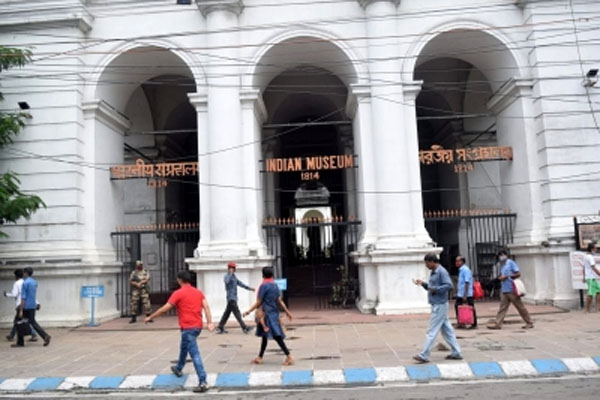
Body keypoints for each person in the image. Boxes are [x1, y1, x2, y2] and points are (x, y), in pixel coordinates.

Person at [144, 270, 214, 393]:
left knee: (195, 354)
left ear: (180, 280)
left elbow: (165, 309)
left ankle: (203, 381)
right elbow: (206, 307)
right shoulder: (198, 292)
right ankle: (179, 367)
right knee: (184, 347)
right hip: (197, 327)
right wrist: (209, 322)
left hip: (188, 328)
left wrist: (151, 317)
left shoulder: (178, 293)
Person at [412, 253, 462, 364]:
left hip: (439, 305)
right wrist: (423, 284)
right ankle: (456, 352)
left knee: (432, 331)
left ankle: (424, 355)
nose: (426, 265)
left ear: (432, 261)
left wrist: (436, 289)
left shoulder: (441, 272)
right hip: (437, 304)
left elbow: (449, 285)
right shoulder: (434, 272)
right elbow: (431, 288)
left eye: (427, 263)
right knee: (447, 330)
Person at [243, 266, 294, 366]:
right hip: (274, 312)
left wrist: (248, 311)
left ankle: (289, 356)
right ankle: (260, 357)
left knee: (277, 336)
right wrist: (287, 312)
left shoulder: (264, 286)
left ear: (263, 275)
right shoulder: (275, 285)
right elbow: (279, 300)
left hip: (267, 314)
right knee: (265, 336)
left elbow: (259, 302)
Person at [487, 250, 534, 329]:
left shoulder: (511, 263)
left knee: (520, 307)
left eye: (502, 255)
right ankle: (498, 323)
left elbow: (518, 273)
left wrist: (508, 276)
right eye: (500, 255)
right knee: (502, 308)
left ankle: (529, 322)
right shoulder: (502, 265)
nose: (501, 257)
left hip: (512, 289)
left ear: (506, 255)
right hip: (504, 289)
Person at [13, 267, 51, 348]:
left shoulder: (25, 283)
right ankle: (45, 336)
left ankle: (20, 342)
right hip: (32, 305)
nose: (23, 274)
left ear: (26, 273)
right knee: (32, 322)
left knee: (18, 322)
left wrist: (21, 310)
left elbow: (23, 297)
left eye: (24, 272)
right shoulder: (34, 282)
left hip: (25, 306)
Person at [216, 262, 254, 334]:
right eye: (233, 268)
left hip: (233, 298)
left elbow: (240, 283)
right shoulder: (227, 276)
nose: (235, 269)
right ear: (230, 268)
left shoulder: (234, 277)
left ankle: (220, 327)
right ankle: (244, 328)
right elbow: (226, 282)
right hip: (231, 298)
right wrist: (230, 273)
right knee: (237, 313)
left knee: (226, 314)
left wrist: (250, 288)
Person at [4, 269, 39, 342]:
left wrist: (6, 294)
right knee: (22, 320)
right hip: (27, 304)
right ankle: (12, 335)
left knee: (18, 321)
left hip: (20, 305)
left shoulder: (17, 283)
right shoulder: (26, 282)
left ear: (16, 276)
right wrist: (37, 303)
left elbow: (14, 294)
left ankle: (32, 334)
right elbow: (31, 295)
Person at [454, 256, 477, 329]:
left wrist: (465, 295)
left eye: (458, 261)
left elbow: (467, 282)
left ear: (462, 262)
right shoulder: (461, 270)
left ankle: (473, 323)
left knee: (470, 307)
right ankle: (461, 322)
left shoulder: (465, 270)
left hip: (466, 293)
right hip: (461, 293)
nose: (456, 263)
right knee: (458, 307)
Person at [583, 241, 600, 313]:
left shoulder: (586, 256)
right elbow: (593, 267)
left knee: (598, 292)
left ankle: (598, 307)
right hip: (591, 277)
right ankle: (587, 309)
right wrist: (599, 273)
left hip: (590, 277)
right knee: (590, 294)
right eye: (595, 248)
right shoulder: (590, 257)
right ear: (592, 249)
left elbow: (584, 267)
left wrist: (584, 277)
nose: (596, 249)